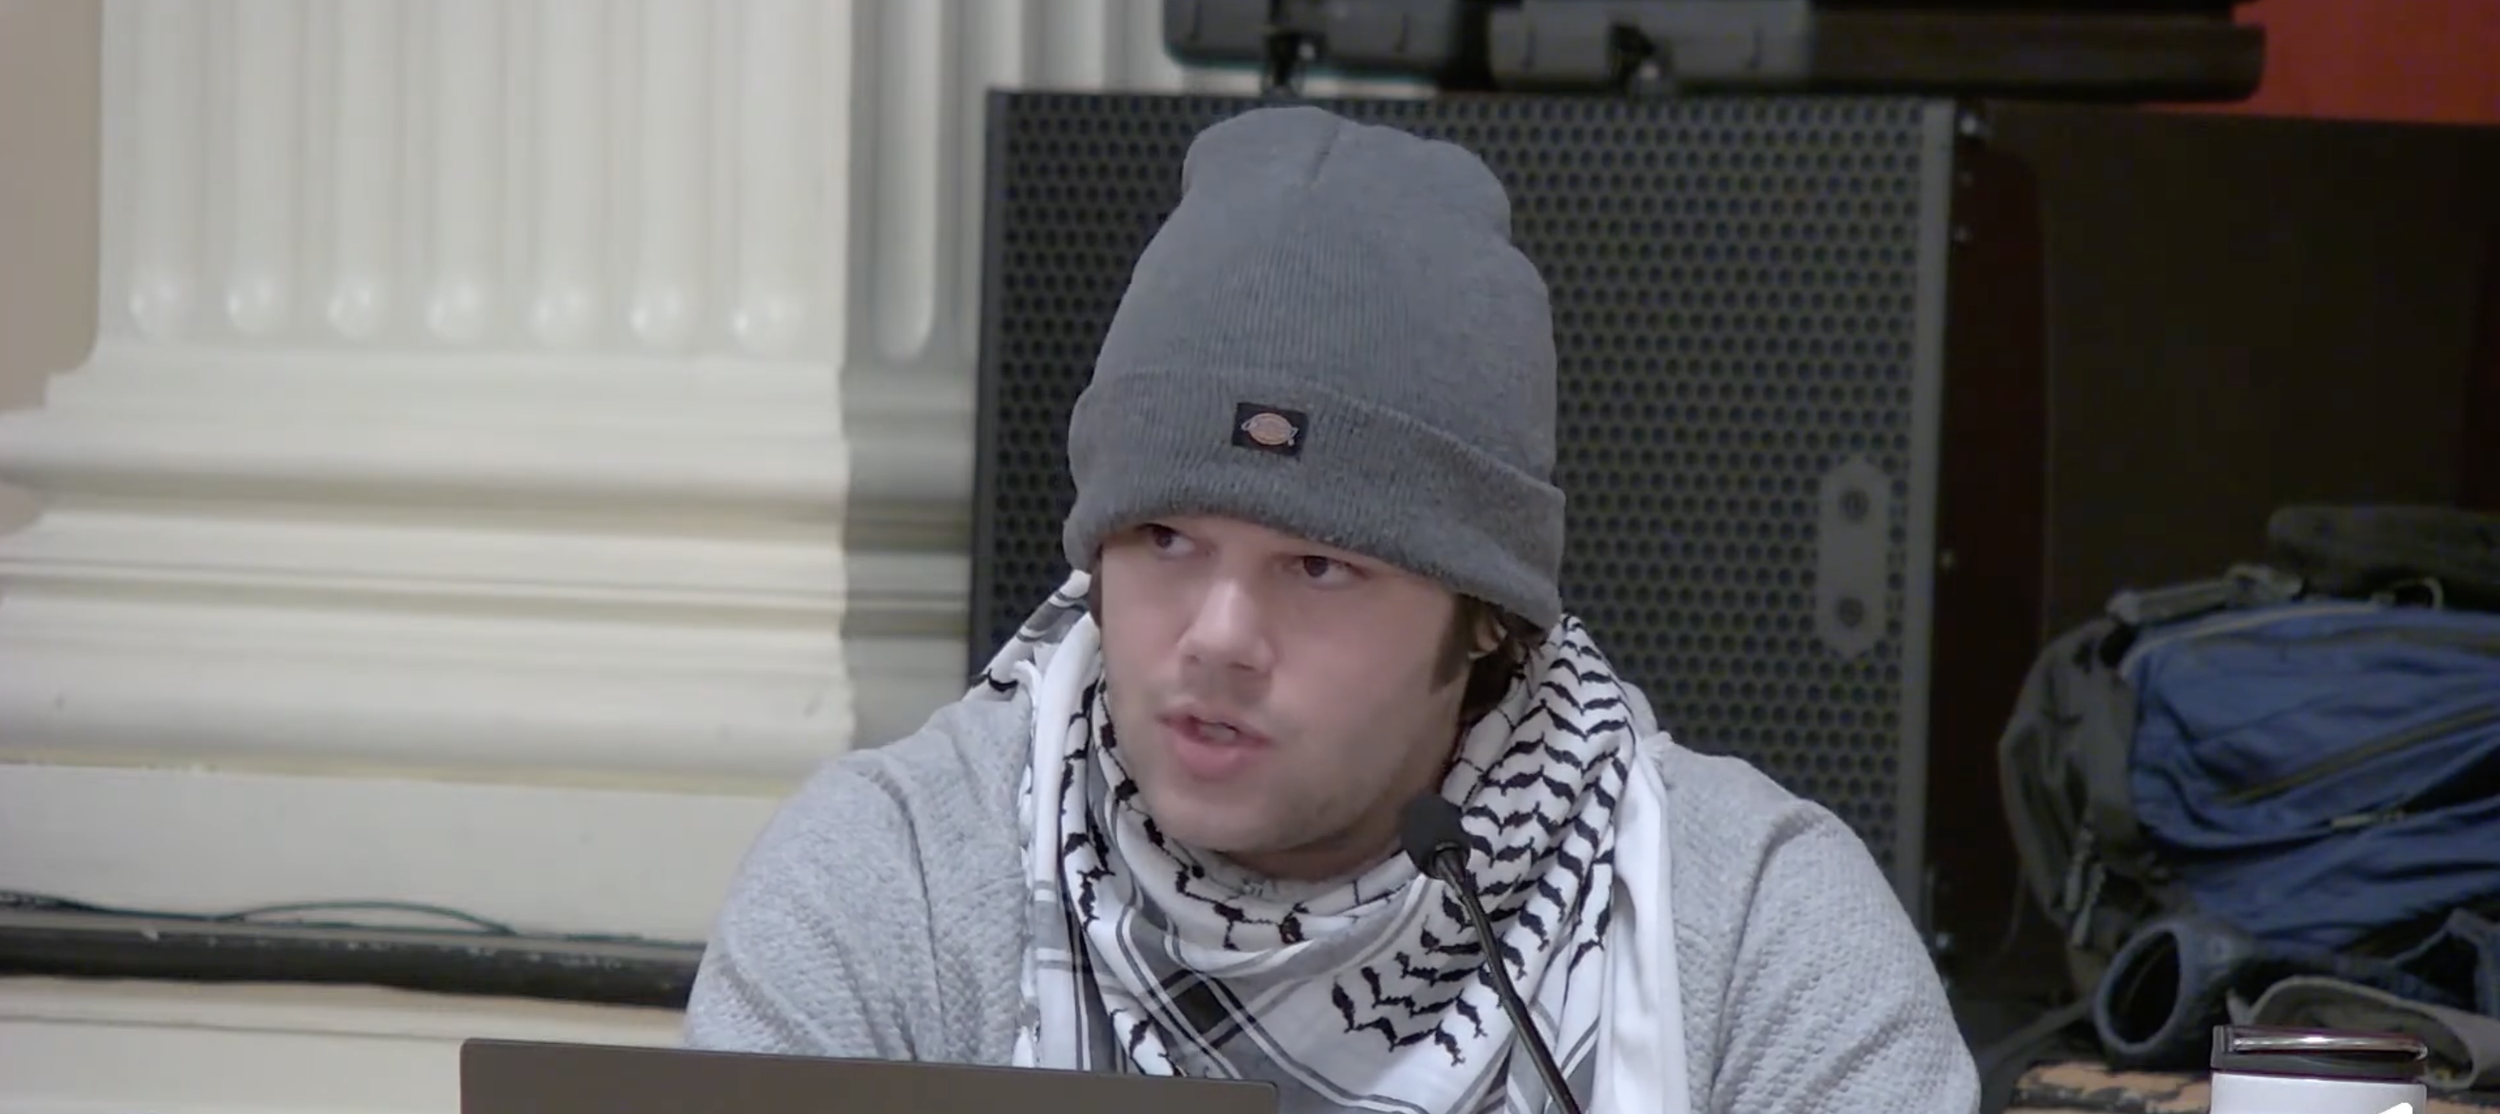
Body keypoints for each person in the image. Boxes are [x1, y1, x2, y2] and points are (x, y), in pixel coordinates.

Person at [684, 104, 1981, 1114]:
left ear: (1486, 621)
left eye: (1320, 565)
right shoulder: (886, 890)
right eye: (1167, 537)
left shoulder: (1758, 933)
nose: (1217, 635)